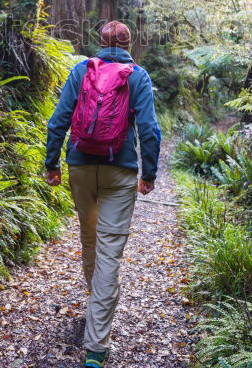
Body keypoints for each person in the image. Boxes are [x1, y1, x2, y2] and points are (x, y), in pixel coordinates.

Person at [45, 20, 162, 368]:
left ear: (100, 41)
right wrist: (148, 174)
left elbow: (58, 120)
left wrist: (52, 163)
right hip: (119, 170)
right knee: (110, 250)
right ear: (129, 43)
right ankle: (96, 346)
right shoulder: (137, 75)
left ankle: (95, 302)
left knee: (90, 239)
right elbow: (149, 129)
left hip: (80, 168)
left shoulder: (82, 70)